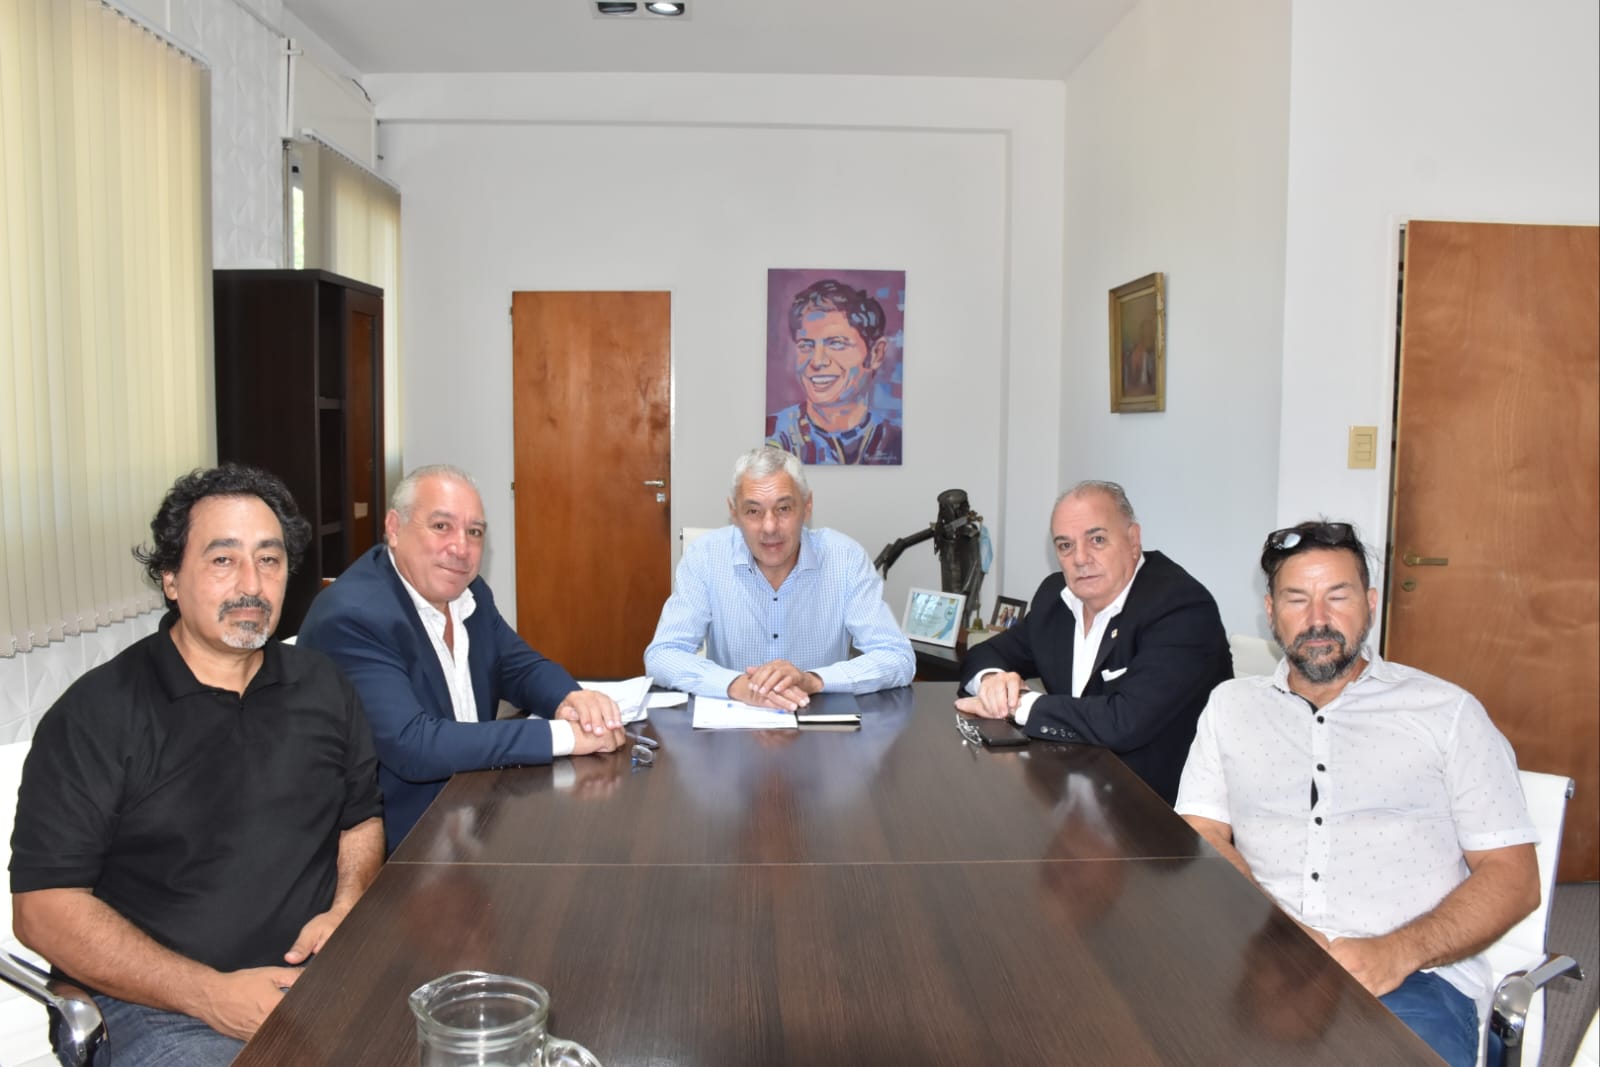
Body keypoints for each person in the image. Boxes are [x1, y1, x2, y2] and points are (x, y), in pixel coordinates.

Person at [9, 464, 385, 1065]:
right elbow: (42, 909)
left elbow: (359, 820)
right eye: (222, 559)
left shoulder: (323, 686)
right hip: (158, 1007)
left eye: (269, 560)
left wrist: (346, 909)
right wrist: (210, 994)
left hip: (318, 977)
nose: (251, 584)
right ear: (170, 579)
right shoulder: (96, 714)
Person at [1175, 520, 1539, 1067]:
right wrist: (1278, 931)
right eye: (1297, 599)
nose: (1317, 619)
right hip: (1258, 957)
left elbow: (1513, 876)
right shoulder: (1230, 707)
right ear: (1270, 612)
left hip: (1414, 978)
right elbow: (1201, 833)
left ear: (1369, 604)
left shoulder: (1447, 714)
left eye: (1337, 596)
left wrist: (1397, 952)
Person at [297, 465, 627, 852]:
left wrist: (572, 699)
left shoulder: (468, 592)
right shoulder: (354, 616)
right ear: (394, 528)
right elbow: (413, 745)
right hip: (394, 850)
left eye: (474, 532)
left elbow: (517, 666)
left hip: (470, 820)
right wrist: (566, 735)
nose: (461, 548)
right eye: (441, 526)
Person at [957, 480, 1232, 803]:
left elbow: (1125, 721)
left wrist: (1016, 704)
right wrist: (992, 681)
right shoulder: (1056, 598)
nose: (1080, 558)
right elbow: (988, 652)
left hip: (1157, 808)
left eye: (1097, 540)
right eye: (1065, 545)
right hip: (1071, 790)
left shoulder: (1180, 606)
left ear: (1133, 540)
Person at [644, 446, 915, 710]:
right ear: (734, 512)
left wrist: (813, 680)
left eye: (783, 508)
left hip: (819, 723)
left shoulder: (845, 558)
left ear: (807, 506)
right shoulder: (705, 557)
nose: (770, 527)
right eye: (753, 511)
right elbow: (663, 654)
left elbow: (897, 656)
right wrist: (737, 685)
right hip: (734, 721)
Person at [766, 279, 901, 465]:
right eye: (806, 345)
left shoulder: (895, 442)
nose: (817, 361)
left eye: (837, 343)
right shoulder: (771, 436)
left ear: (876, 354)